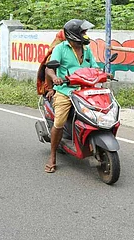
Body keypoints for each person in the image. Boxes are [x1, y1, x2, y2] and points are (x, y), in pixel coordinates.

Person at [44, 19, 99, 173]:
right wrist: (55, 78)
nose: (86, 35)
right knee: (59, 121)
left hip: (86, 90)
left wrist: (103, 74)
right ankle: (52, 155)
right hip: (65, 90)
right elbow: (49, 69)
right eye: (83, 32)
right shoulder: (61, 48)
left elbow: (94, 67)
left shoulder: (87, 50)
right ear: (74, 35)